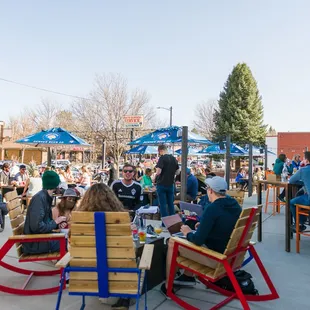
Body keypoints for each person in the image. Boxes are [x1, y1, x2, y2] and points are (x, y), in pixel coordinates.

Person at [160, 176, 241, 297]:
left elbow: (197, 241)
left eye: (207, 188)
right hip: (231, 255)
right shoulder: (234, 205)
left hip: (216, 259)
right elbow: (223, 224)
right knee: (190, 235)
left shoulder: (212, 208)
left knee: (173, 242)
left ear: (211, 191)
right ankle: (187, 277)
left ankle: (168, 286)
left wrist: (187, 232)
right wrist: (204, 225)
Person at [23, 170, 67, 254]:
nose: (60, 188)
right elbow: (37, 227)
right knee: (71, 242)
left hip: (39, 240)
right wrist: (55, 222)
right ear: (55, 185)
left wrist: (57, 225)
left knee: (70, 239)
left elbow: (44, 222)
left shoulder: (44, 197)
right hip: (35, 244)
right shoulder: (39, 199)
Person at [156, 145, 180, 217]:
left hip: (161, 184)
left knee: (163, 205)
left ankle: (164, 223)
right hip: (170, 184)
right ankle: (172, 222)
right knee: (170, 204)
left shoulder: (162, 158)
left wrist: (156, 173)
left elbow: (158, 172)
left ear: (160, 151)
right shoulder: (174, 159)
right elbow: (178, 172)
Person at [289, 151, 310, 232]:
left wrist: (303, 181)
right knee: (301, 195)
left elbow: (291, 180)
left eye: (304, 159)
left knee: (292, 202)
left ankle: (300, 224)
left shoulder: (303, 170)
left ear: (307, 160)